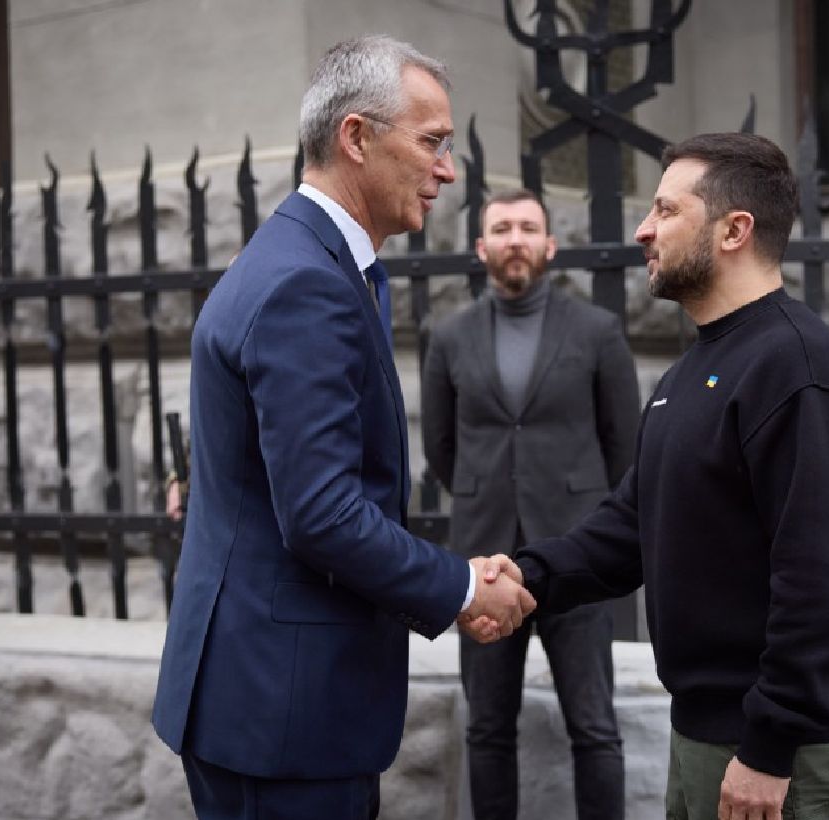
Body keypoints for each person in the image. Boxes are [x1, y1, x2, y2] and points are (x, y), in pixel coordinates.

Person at [151, 36, 535, 820]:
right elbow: (322, 513)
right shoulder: (307, 282)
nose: (449, 170)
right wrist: (462, 588)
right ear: (356, 137)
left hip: (266, 702)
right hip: (283, 717)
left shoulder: (306, 259)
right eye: (432, 142)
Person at [510, 133, 829, 820]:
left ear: (735, 230)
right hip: (709, 730)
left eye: (666, 210)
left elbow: (824, 577)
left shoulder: (799, 368)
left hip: (771, 750)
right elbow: (631, 528)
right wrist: (524, 579)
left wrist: (769, 745)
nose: (643, 230)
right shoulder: (691, 372)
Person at [421, 188, 641, 820]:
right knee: (487, 727)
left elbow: (623, 446)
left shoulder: (597, 331)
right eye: (502, 228)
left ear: (549, 244)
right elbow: (441, 446)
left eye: (526, 227)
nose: (514, 239)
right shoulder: (449, 336)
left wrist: (589, 521)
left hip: (577, 554)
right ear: (481, 247)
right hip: (485, 561)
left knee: (594, 726)